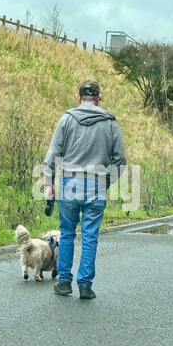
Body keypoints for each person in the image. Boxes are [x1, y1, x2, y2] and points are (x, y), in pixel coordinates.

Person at [44, 80, 126, 300]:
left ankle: (63, 283)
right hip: (96, 185)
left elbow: (52, 156)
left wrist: (48, 184)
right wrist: (107, 182)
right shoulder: (110, 123)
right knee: (90, 236)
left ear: (78, 97)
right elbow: (120, 160)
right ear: (99, 98)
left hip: (69, 184)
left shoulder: (66, 119)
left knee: (68, 233)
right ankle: (85, 286)